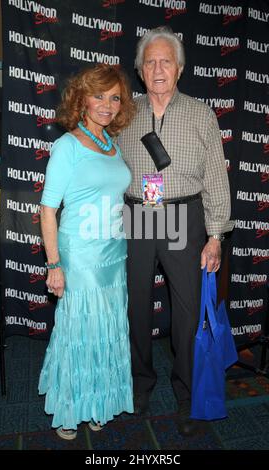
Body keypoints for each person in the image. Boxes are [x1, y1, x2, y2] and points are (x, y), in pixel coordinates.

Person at [119, 27, 234, 435]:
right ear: (140, 70)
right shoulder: (125, 112)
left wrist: (216, 235)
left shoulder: (202, 113)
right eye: (149, 62)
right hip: (137, 215)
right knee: (134, 305)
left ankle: (187, 394)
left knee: (187, 313)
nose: (158, 68)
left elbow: (217, 182)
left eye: (166, 60)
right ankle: (138, 385)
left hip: (185, 217)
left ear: (180, 68)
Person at [38, 64, 136, 440]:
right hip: (79, 255)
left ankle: (98, 402)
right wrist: (54, 265)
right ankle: (68, 410)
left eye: (114, 98)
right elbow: (48, 210)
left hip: (113, 251)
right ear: (81, 98)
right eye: (99, 96)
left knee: (106, 332)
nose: (107, 105)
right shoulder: (67, 146)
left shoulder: (112, 143)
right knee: (80, 330)